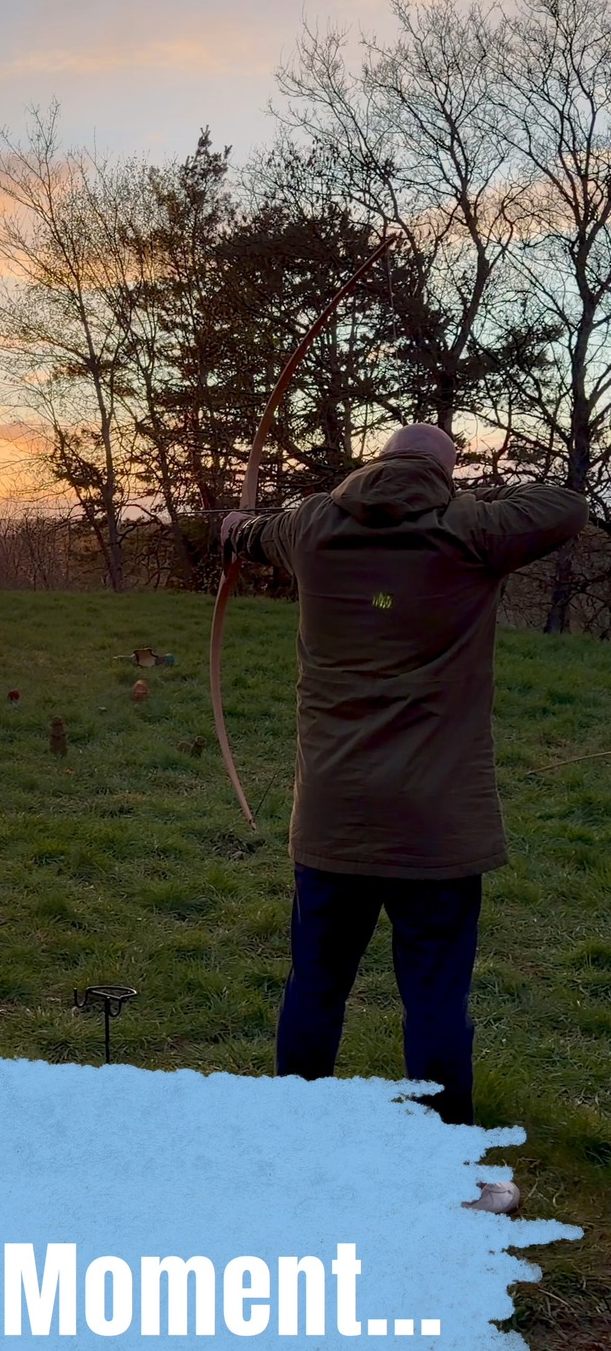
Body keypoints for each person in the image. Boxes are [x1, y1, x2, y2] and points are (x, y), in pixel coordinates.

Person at [221, 424, 587, 1209]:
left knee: (316, 988)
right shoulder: (473, 530)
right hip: (436, 827)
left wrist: (235, 528)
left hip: (333, 819)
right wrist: (470, 500)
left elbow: (247, 534)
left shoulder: (311, 525)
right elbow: (566, 506)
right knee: (434, 1001)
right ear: (442, 473)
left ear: (379, 463)